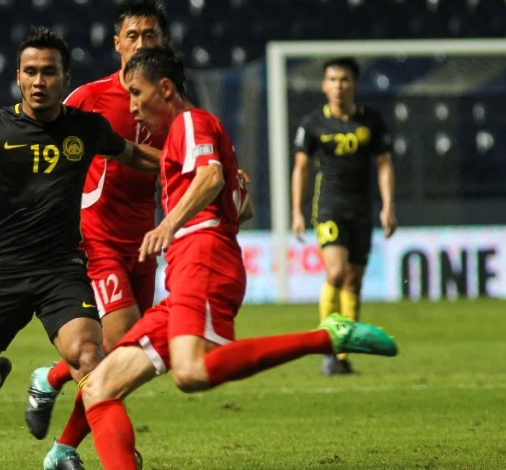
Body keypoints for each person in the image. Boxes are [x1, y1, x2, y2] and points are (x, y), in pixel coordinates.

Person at [67, 46, 398, 470]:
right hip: (188, 265)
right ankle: (66, 446)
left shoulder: (190, 122)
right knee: (101, 388)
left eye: (136, 93)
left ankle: (328, 338)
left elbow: (210, 177)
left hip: (203, 257)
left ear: (164, 89)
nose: (131, 107)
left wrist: (169, 224)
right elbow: (242, 207)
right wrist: (223, 198)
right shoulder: (189, 136)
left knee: (191, 372)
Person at [0, 27, 160, 428]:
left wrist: (194, 163)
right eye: (30, 72)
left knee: (90, 358)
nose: (39, 81)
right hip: (3, 273)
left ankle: (99, 451)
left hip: (61, 271)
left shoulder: (87, 127)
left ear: (65, 77)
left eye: (49, 72)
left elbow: (134, 155)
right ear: (18, 77)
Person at [26, 0, 170, 452]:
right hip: (97, 237)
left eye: (150, 35)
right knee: (124, 348)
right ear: (117, 44)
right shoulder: (91, 98)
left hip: (144, 240)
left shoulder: (170, 103)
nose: (141, 44)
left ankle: (51, 380)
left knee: (123, 357)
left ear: (164, 42)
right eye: (133, 36)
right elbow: (42, 141)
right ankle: (66, 449)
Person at [290, 57, 398, 376]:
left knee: (354, 281)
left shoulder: (371, 121)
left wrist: (388, 206)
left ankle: (342, 355)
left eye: (344, 80)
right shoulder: (313, 123)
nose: (339, 86)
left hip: (362, 209)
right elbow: (301, 168)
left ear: (355, 84)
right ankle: (328, 348)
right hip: (329, 206)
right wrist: (296, 211)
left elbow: (384, 164)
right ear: (324, 85)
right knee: (336, 272)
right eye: (333, 80)